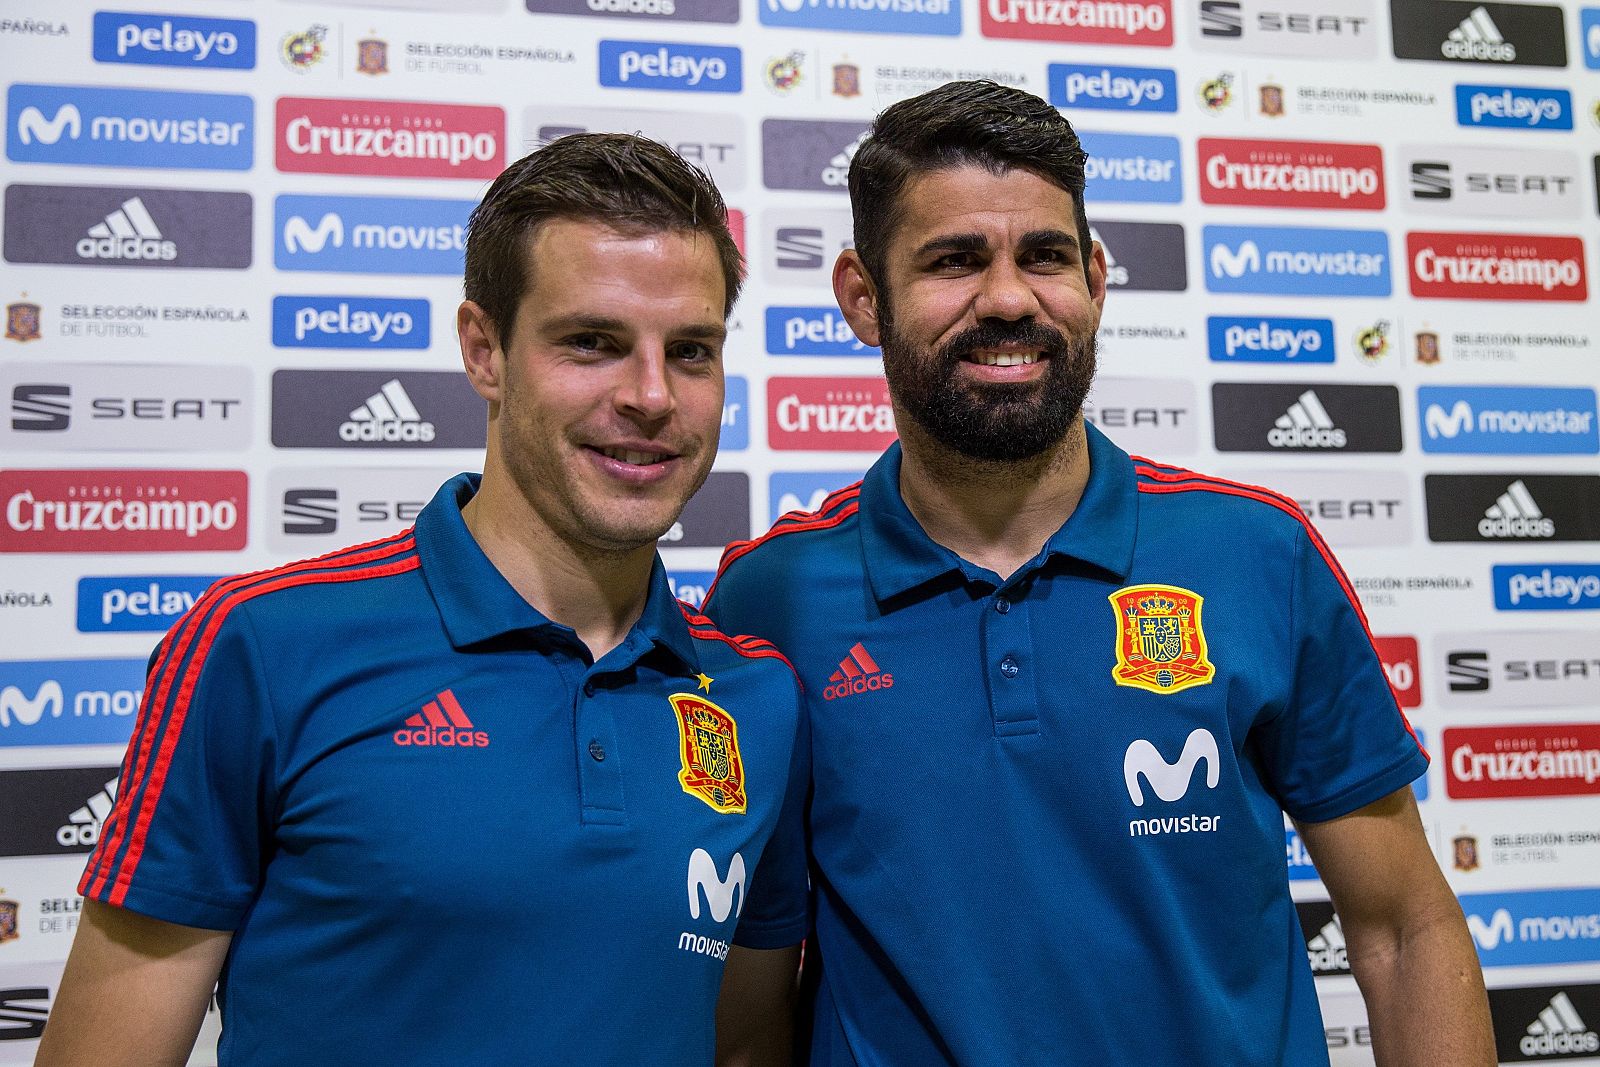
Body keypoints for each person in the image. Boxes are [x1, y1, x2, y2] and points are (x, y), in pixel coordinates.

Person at [702, 81, 1494, 1066]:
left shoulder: (1256, 552)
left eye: (1042, 255)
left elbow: (1402, 926)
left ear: (1096, 277)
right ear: (863, 297)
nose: (1006, 298)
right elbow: (747, 1005)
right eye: (953, 261)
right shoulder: (766, 600)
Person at [37, 134, 808, 1067]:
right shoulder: (262, 645)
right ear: (484, 351)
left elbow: (743, 1047)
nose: (651, 396)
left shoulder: (757, 696)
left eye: (691, 350)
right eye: (592, 342)